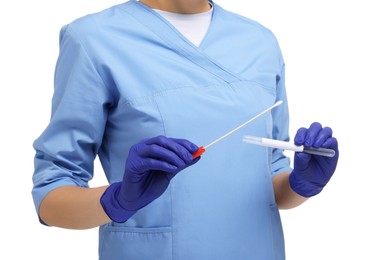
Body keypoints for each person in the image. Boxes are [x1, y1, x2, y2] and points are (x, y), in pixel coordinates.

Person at [31, 0, 339, 259]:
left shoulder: (259, 41)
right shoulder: (94, 39)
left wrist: (302, 183)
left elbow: (272, 178)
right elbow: (50, 199)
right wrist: (119, 199)